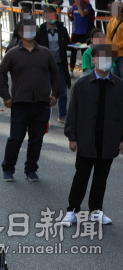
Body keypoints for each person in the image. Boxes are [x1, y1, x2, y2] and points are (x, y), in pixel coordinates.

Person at [61, 45, 123, 227]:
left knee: (101, 178)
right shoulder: (82, 84)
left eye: (108, 57)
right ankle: (72, 210)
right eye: (100, 57)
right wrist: (72, 137)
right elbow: (73, 112)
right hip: (86, 138)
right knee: (81, 175)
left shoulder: (120, 85)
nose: (105, 61)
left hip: (108, 139)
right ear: (93, 59)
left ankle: (96, 210)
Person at [0, 18, 61, 182]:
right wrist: (6, 96)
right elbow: (1, 74)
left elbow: (55, 73)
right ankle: (8, 169)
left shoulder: (45, 53)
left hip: (41, 104)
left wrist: (55, 94)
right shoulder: (12, 53)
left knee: (36, 140)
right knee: (15, 138)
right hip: (19, 104)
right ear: (20, 32)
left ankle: (31, 169)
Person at [35, 6, 71, 124]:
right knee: (45, 92)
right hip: (46, 66)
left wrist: (76, 45)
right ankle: (45, 116)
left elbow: (67, 44)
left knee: (62, 91)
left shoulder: (62, 29)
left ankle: (62, 114)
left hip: (60, 65)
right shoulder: (40, 31)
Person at [68, 0, 92, 77]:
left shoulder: (87, 5)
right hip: (76, 33)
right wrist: (68, 15)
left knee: (84, 52)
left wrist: (78, 6)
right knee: (73, 52)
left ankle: (84, 71)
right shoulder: (74, 6)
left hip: (84, 33)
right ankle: (71, 70)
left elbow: (83, 14)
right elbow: (73, 19)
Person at [107, 1, 123, 77]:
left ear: (120, 9)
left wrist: (116, 46)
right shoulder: (111, 21)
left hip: (121, 54)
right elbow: (108, 37)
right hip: (113, 54)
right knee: (114, 76)